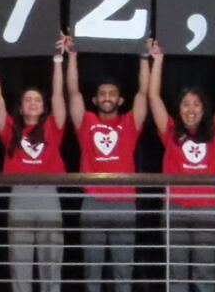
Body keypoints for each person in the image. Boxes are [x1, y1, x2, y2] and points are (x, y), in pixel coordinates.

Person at [149, 40, 215, 292]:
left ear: (203, 109)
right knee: (176, 271)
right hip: (174, 208)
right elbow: (153, 97)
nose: (191, 109)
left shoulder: (213, 131)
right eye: (186, 104)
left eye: (196, 104)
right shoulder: (169, 131)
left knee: (204, 270)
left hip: (206, 208)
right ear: (178, 109)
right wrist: (158, 60)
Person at [68, 37, 148, 292]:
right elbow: (73, 92)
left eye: (112, 94)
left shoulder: (129, 123)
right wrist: (71, 56)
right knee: (93, 270)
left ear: (120, 100)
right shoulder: (87, 121)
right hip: (92, 202)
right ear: (95, 99)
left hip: (125, 202)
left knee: (123, 271)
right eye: (102, 93)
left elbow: (144, 93)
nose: (106, 97)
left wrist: (145, 58)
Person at [0, 34, 71, 292]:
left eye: (38, 99)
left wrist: (58, 59)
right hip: (20, 195)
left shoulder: (52, 126)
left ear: (43, 106)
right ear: (22, 107)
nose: (33, 103)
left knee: (51, 258)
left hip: (48, 194)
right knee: (20, 258)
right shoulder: (10, 129)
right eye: (28, 100)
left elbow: (59, 94)